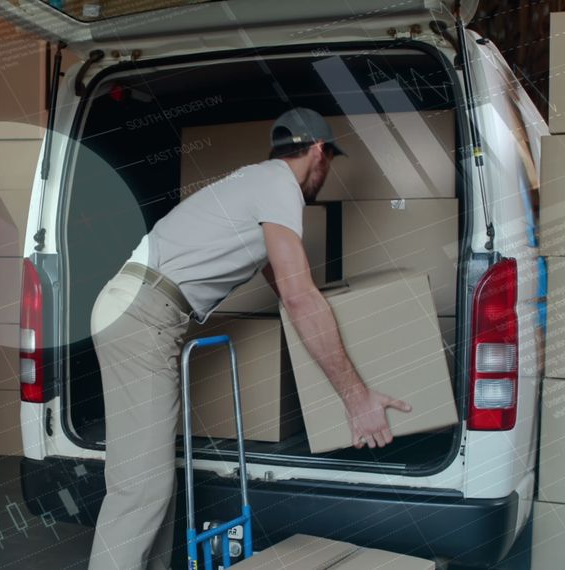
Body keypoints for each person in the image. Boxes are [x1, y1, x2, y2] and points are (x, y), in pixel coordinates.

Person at [86, 107, 413, 570]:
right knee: (139, 488)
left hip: (143, 311)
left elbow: (287, 286)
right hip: (141, 316)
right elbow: (300, 298)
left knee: (156, 482)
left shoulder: (258, 185)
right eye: (330, 161)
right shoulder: (280, 186)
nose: (327, 171)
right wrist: (355, 397)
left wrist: (329, 315)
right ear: (319, 151)